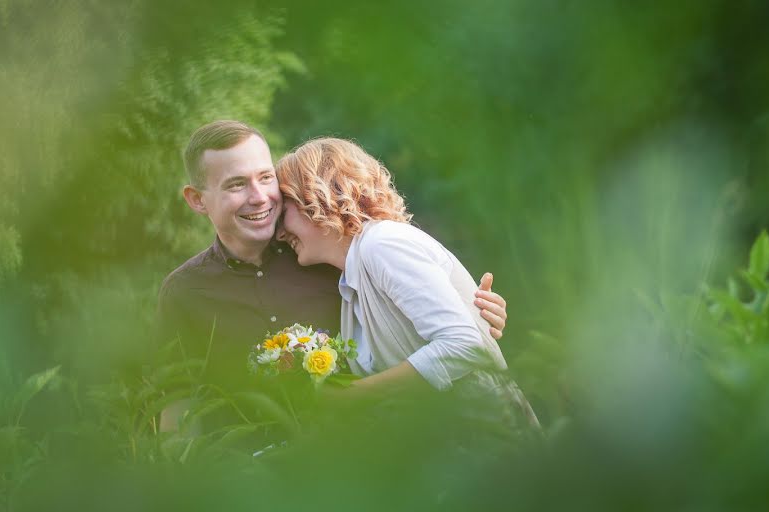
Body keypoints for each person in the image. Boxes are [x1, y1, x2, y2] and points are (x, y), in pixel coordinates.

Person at [158, 121, 510, 431]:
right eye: (236, 184)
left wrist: (473, 309)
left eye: (266, 178)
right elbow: (176, 398)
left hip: (372, 463)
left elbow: (441, 324)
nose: (259, 197)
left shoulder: (328, 257)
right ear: (197, 200)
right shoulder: (185, 292)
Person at [275, 137, 538, 429]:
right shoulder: (352, 279)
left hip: (489, 437)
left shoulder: (383, 244)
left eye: (284, 210)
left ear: (316, 197)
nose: (279, 234)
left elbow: (464, 345)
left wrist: (353, 396)